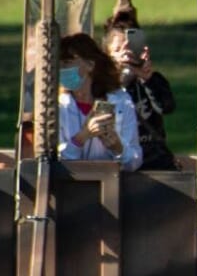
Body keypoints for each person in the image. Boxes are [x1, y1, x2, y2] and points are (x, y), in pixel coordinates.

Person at [55, 33, 142, 172]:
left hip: (112, 186)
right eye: (58, 65)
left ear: (90, 65)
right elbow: (56, 163)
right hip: (71, 187)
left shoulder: (120, 101)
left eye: (67, 63)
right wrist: (81, 138)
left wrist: (117, 147)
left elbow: (134, 162)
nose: (62, 70)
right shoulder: (57, 107)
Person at [104, 18, 177, 171]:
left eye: (130, 49)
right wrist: (118, 78)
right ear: (107, 55)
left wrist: (146, 78)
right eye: (117, 50)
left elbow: (166, 107)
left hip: (154, 163)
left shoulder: (151, 80)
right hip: (118, 164)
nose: (125, 55)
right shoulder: (104, 87)